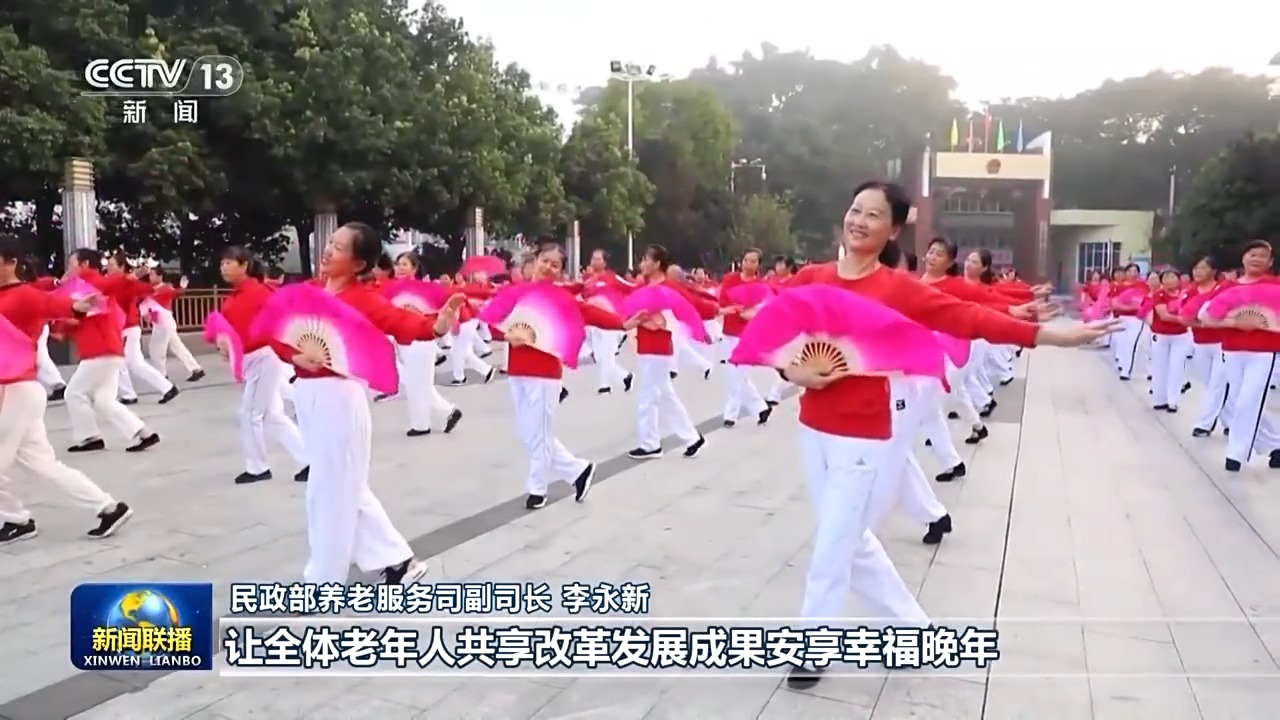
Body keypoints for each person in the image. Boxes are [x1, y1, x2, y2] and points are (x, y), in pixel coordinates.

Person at [779, 180, 1115, 689]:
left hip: (864, 432)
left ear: (894, 230)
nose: (859, 221)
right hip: (813, 428)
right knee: (848, 537)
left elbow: (970, 316)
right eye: (855, 210)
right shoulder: (812, 278)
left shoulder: (898, 289)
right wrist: (791, 370)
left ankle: (812, 646)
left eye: (874, 215)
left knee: (831, 544)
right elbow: (775, 332)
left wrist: (1048, 336)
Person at [269, 222, 463, 584]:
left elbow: (401, 322)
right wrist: (295, 357)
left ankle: (324, 580)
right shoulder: (309, 292)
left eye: (339, 247)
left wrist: (437, 327)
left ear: (358, 264)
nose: (328, 250)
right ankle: (399, 561)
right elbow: (277, 331)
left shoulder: (363, 300)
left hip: (340, 399)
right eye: (330, 242)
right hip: (308, 395)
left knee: (329, 491)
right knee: (343, 485)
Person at [0, 236, 133, 542]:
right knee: (43, 464)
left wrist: (75, 305)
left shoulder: (23, 295)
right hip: (16, 391)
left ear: (11, 262)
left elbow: (49, 303)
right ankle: (108, 507)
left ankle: (16, 518)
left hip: (18, 390)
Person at [506, 244, 617, 508]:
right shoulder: (517, 292)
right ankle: (578, 471)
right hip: (516, 370)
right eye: (545, 261)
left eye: (555, 265)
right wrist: (508, 335)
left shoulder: (560, 297)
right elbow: (496, 320)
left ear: (560, 272)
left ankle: (537, 489)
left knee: (541, 435)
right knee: (529, 434)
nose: (548, 267)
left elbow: (590, 314)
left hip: (544, 373)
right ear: (535, 260)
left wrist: (624, 323)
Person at [218, 246, 310, 484]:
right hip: (248, 358)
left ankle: (258, 467)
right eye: (222, 264)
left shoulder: (261, 293)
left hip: (263, 355)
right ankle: (309, 460)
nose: (224, 267)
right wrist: (224, 342)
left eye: (229, 263)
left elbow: (284, 318)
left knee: (250, 414)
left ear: (244, 266)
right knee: (272, 415)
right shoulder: (232, 297)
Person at [624, 245, 710, 460]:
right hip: (646, 346)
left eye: (646, 259)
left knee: (648, 398)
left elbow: (684, 311)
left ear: (657, 263)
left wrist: (662, 323)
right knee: (664, 395)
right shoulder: (645, 288)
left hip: (659, 348)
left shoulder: (668, 288)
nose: (642, 264)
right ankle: (691, 437)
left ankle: (650, 444)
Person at [1201, 240, 1280, 472]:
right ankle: (1276, 445)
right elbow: (1207, 318)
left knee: (1248, 401)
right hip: (1232, 351)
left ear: (1270, 262)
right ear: (1243, 258)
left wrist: (1264, 326)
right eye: (1252, 254)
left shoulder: (1276, 286)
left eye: (1262, 256)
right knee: (1241, 402)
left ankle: (1235, 454)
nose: (1257, 259)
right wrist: (1235, 323)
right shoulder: (1228, 287)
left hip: (1265, 352)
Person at [391, 251, 462, 436]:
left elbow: (447, 304)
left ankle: (423, 423)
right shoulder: (392, 289)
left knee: (417, 385)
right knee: (417, 384)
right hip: (403, 341)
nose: (400, 268)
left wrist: (452, 322)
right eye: (398, 264)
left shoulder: (425, 289)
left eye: (405, 264)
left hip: (422, 340)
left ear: (414, 268)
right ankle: (443, 414)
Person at [718, 249, 772, 428]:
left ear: (758, 265)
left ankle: (730, 415)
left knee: (736, 375)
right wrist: (735, 308)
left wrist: (751, 313)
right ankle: (761, 408)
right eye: (746, 260)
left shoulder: (761, 286)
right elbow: (723, 301)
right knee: (734, 375)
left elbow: (763, 310)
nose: (748, 264)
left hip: (747, 335)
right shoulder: (730, 279)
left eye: (753, 261)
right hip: (729, 332)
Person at [1186, 256, 1230, 436]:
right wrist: (1204, 323)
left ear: (1213, 271)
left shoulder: (1224, 289)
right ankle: (1231, 422)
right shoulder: (1190, 292)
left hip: (1222, 344)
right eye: (1195, 268)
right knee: (1210, 384)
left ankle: (1204, 424)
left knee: (1217, 385)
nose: (1198, 272)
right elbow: (1184, 317)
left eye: (1202, 268)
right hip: (1200, 343)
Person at [581, 249, 634, 394]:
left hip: (611, 323)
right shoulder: (588, 282)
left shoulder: (612, 278)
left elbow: (632, 289)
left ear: (604, 262)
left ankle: (605, 386)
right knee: (599, 357)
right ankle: (624, 376)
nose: (595, 261)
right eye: (593, 258)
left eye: (598, 259)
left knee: (606, 355)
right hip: (594, 324)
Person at [143, 268, 204, 382]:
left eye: (152, 274)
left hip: (164, 323)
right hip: (161, 323)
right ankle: (196, 369)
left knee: (156, 350)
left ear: (160, 276)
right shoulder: (151, 289)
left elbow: (176, 293)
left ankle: (162, 375)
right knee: (177, 347)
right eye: (150, 275)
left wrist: (182, 288)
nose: (150, 277)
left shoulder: (165, 287)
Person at [1148, 269, 1191, 412]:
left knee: (1176, 367)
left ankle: (1173, 401)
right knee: (1160, 367)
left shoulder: (1185, 295)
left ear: (1178, 279)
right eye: (1166, 278)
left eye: (1172, 277)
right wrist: (1182, 319)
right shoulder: (1158, 295)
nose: (1169, 280)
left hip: (1180, 335)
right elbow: (1164, 315)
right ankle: (1159, 399)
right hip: (1160, 335)